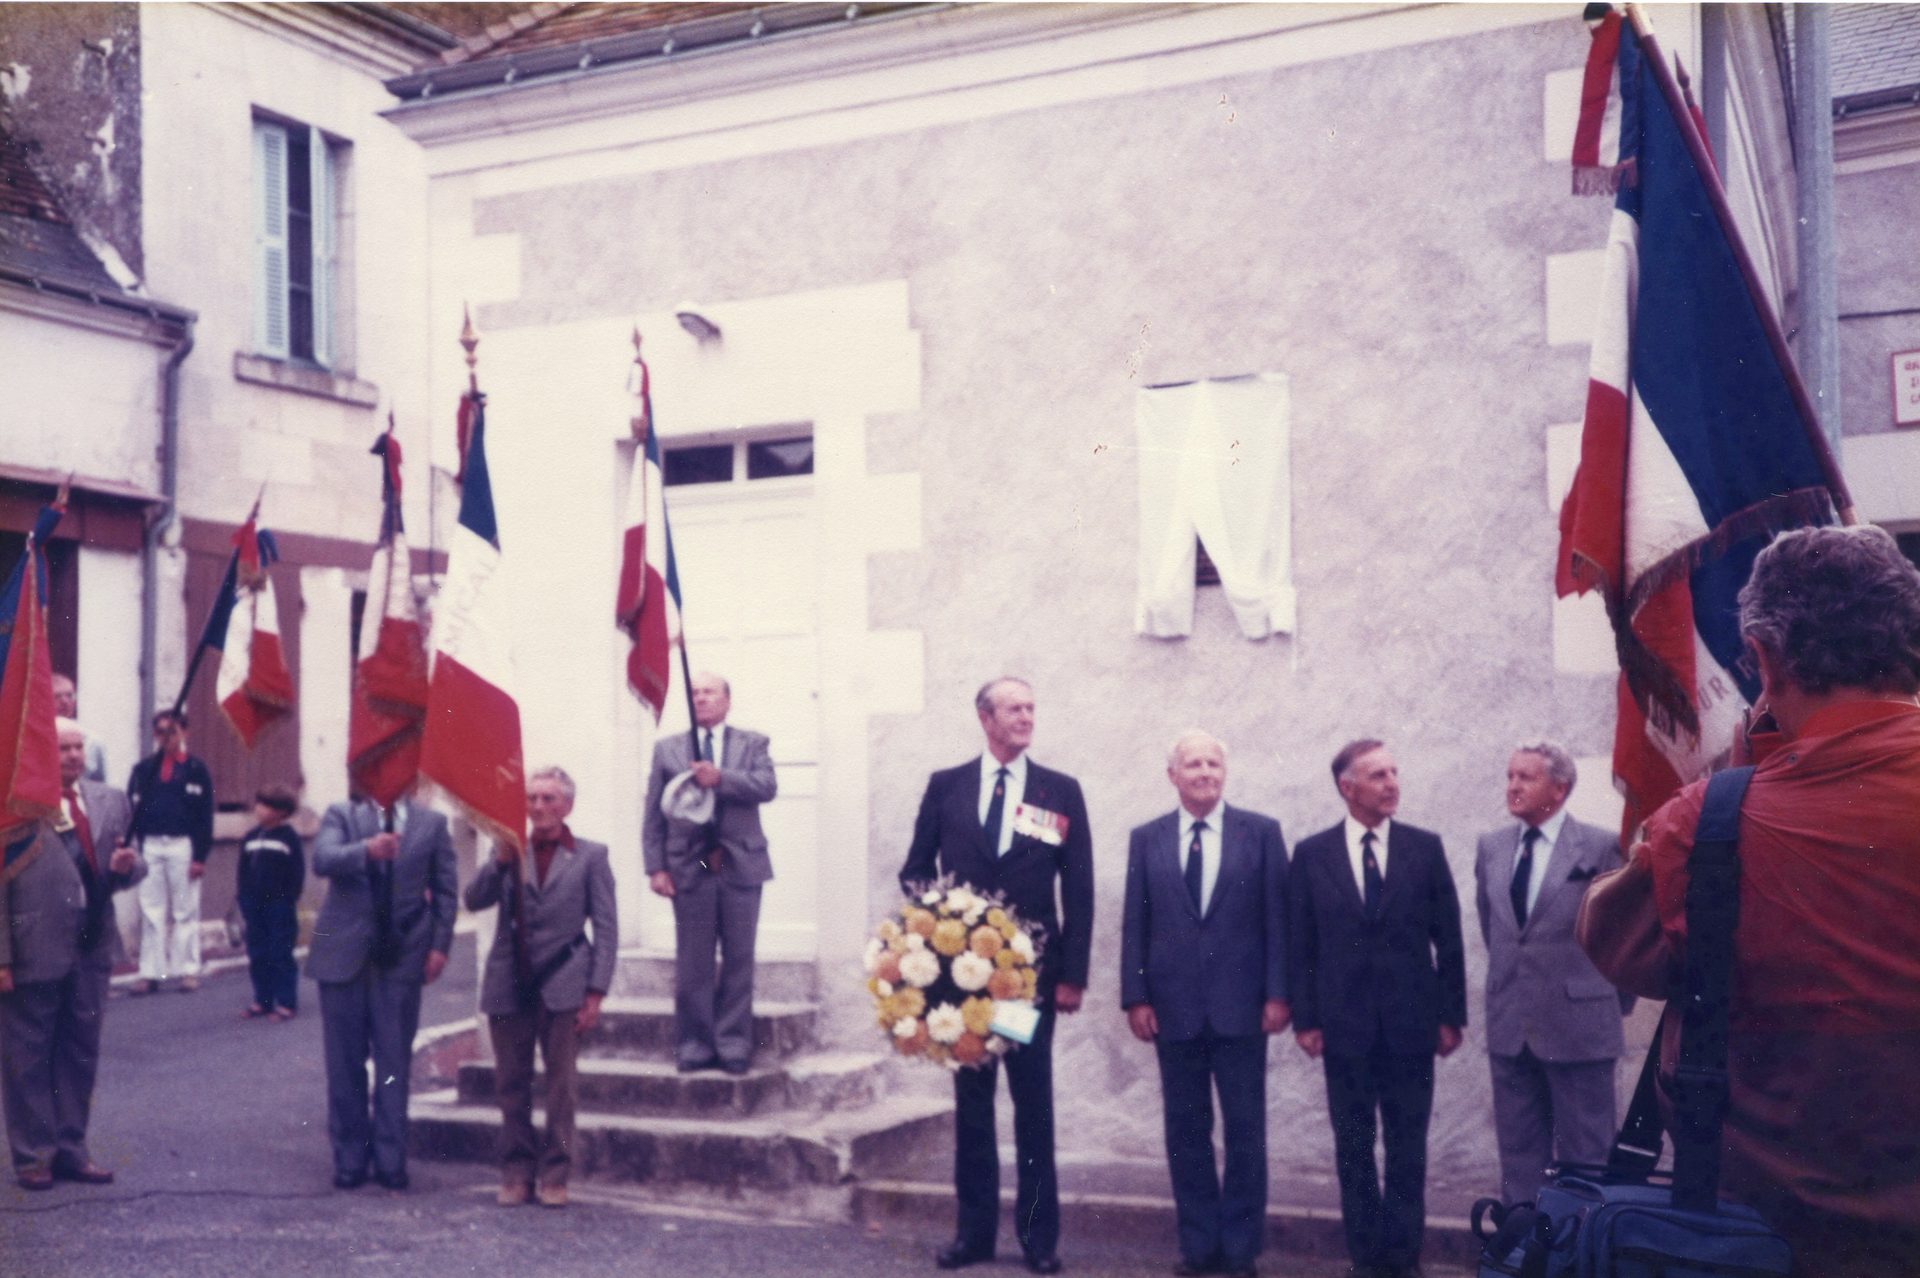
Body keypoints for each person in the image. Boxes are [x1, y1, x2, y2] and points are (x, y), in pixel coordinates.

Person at [1578, 525, 1920, 1278]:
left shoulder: (1714, 821)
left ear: (1762, 658)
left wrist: (1729, 789)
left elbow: (1607, 936)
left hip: (1767, 1238)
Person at [899, 676, 1094, 1275]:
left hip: (1027, 986)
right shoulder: (947, 786)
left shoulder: (1058, 790)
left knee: (1032, 1104)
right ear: (985, 717)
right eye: (1014, 708)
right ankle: (974, 1236)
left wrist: (1072, 976)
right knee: (973, 1107)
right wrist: (934, 941)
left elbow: (1078, 888)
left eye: (1031, 707)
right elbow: (914, 871)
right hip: (963, 987)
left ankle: (1039, 1241)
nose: (1026, 717)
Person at [1289, 739, 1466, 1278]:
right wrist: (1308, 1020)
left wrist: (1449, 1016)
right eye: (1378, 775)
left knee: (1409, 1149)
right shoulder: (1313, 855)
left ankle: (1403, 1259)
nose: (1392, 783)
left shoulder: (1423, 848)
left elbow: (1450, 940)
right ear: (1348, 788)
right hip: (1344, 1029)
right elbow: (1302, 946)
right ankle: (1366, 1259)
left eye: (1394, 772)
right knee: (1354, 1148)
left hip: (1412, 1026)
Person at [1120, 730, 1289, 1278]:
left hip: (1243, 1010)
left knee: (1245, 1132)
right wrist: (1136, 996)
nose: (1205, 773)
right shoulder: (1147, 838)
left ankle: (1239, 1250)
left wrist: (1278, 993)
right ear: (1173, 775)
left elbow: (1278, 922)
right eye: (1193, 764)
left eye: (1214, 763)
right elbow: (1135, 925)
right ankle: (1198, 1247)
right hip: (1174, 1011)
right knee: (1186, 1131)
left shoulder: (1260, 833)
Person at [1473, 741, 1630, 1207]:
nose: (1513, 786)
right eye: (1509, 776)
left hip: (1581, 1030)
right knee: (1520, 1159)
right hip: (1510, 1028)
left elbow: (1621, 936)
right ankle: (1523, 1256)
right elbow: (1496, 929)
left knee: (1587, 1159)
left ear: (1559, 788)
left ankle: (1581, 1259)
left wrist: (1602, 1002)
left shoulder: (1602, 847)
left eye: (1526, 777)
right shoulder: (1492, 847)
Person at [0, 718, 144, 1189]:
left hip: (91, 944)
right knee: (28, 1055)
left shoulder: (110, 800)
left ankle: (72, 1148)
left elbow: (129, 863)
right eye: (63, 748)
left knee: (80, 1052)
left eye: (79, 747)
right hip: (33, 947)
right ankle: (32, 1155)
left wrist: (128, 867)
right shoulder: (16, 804)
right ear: (44, 750)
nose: (74, 756)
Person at [465, 766, 617, 1209]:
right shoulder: (510, 848)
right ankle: (516, 1172)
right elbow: (474, 900)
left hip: (565, 981)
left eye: (549, 799)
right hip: (509, 981)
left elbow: (606, 929)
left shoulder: (591, 856)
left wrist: (596, 992)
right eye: (532, 799)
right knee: (510, 1085)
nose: (539, 807)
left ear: (567, 805)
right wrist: (499, 862)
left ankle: (555, 1173)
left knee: (561, 1088)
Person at [309, 793, 456, 1191]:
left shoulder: (432, 824)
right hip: (343, 953)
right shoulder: (342, 813)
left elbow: (445, 890)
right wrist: (366, 851)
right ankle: (350, 1157)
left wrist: (440, 946)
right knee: (345, 1063)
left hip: (402, 953)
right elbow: (322, 859)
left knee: (394, 1063)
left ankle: (391, 1158)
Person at [641, 672, 777, 1075]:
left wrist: (722, 778)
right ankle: (695, 1045)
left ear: (727, 700)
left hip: (739, 862)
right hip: (697, 865)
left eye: (709, 692)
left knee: (739, 958)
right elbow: (653, 814)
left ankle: (734, 1044)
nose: (701, 698)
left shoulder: (753, 744)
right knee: (694, 961)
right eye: (695, 693)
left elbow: (767, 786)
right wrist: (656, 867)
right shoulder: (668, 750)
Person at [126, 709, 214, 993]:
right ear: (155, 735)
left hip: (182, 845)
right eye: (161, 732)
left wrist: (200, 856)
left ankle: (187, 970)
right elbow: (133, 810)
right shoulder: (143, 770)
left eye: (172, 731)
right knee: (151, 909)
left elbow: (205, 817)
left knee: (184, 909)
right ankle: (150, 972)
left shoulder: (197, 770)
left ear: (184, 733)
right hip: (151, 844)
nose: (167, 738)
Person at [237, 784, 305, 1022]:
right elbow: (243, 872)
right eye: (259, 803)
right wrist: (243, 899)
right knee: (258, 953)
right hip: (254, 905)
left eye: (265, 805)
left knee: (280, 953)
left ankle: (286, 1002)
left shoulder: (289, 838)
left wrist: (287, 900)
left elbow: (297, 874)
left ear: (281, 812)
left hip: (279, 906)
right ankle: (262, 1000)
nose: (258, 809)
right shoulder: (250, 837)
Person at [50, 675, 106, 783]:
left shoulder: (92, 741)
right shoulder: (29, 738)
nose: (65, 702)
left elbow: (100, 787)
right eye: (57, 696)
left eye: (69, 695)